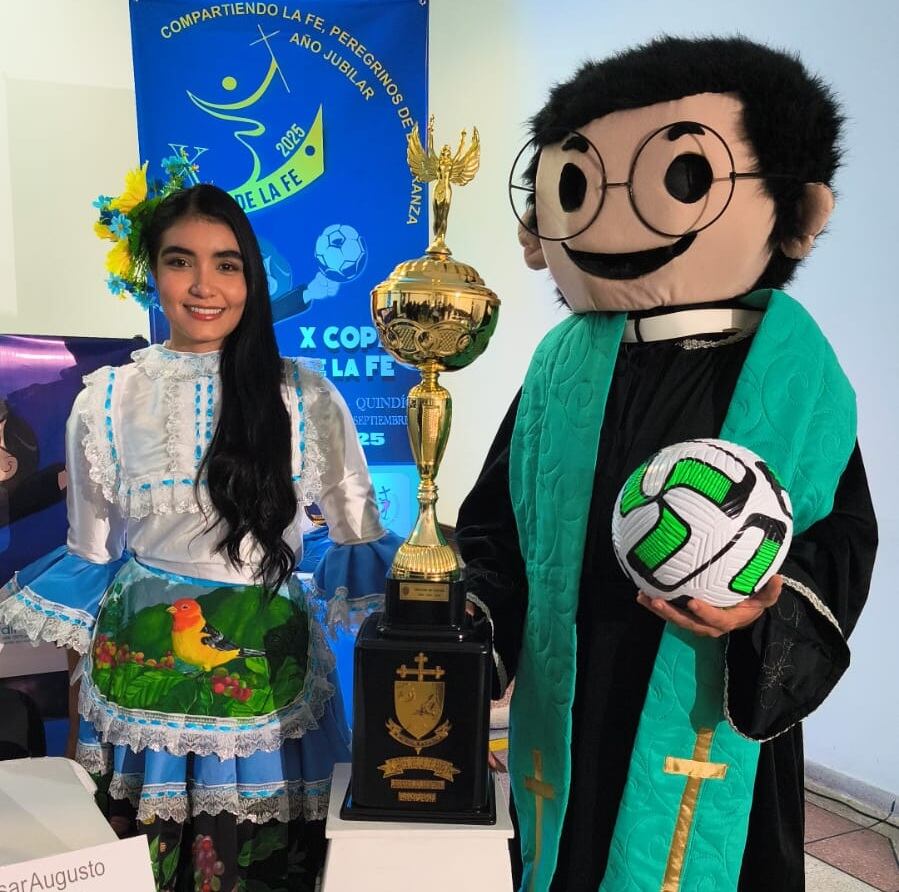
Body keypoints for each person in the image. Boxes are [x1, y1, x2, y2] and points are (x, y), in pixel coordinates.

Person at [456, 36, 877, 891]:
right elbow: (499, 518)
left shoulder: (793, 375)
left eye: (681, 178)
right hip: (573, 685)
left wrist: (765, 606)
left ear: (797, 211)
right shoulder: (559, 366)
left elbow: (840, 538)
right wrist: (476, 618)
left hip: (705, 687)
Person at [0, 181, 400, 892]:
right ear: (152, 272)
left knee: (261, 865)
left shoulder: (307, 397)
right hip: (139, 679)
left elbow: (356, 535)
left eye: (227, 264)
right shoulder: (106, 400)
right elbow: (90, 559)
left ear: (252, 277)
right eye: (180, 261)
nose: (204, 286)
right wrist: (79, 722)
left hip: (265, 680)